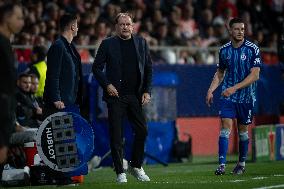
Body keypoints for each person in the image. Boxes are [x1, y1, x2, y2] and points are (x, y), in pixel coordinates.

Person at [92, 12, 152, 183]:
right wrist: (107, 85)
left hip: (135, 95)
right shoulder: (107, 44)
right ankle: (120, 172)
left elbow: (148, 68)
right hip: (115, 96)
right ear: (116, 27)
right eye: (122, 24)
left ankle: (136, 165)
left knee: (142, 130)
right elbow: (96, 68)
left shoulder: (141, 43)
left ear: (132, 26)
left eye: (128, 24)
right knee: (116, 136)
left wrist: (147, 91)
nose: (125, 27)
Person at [206, 18, 262, 175]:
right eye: (237, 29)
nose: (240, 32)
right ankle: (222, 165)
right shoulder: (224, 50)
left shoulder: (252, 49)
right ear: (230, 31)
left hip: (246, 97)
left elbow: (255, 75)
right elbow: (220, 73)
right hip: (228, 97)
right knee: (225, 127)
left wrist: (234, 88)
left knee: (243, 131)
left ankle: (241, 163)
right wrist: (211, 90)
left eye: (242, 29)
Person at [0, 2, 24, 179]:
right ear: (7, 18)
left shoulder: (7, 44)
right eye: (19, 17)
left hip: (6, 111)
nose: (22, 22)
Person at [43, 14, 83, 117]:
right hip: (59, 105)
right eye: (77, 25)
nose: (78, 28)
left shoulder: (70, 47)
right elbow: (53, 74)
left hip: (69, 102)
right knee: (60, 133)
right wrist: (56, 98)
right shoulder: (58, 46)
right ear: (72, 27)